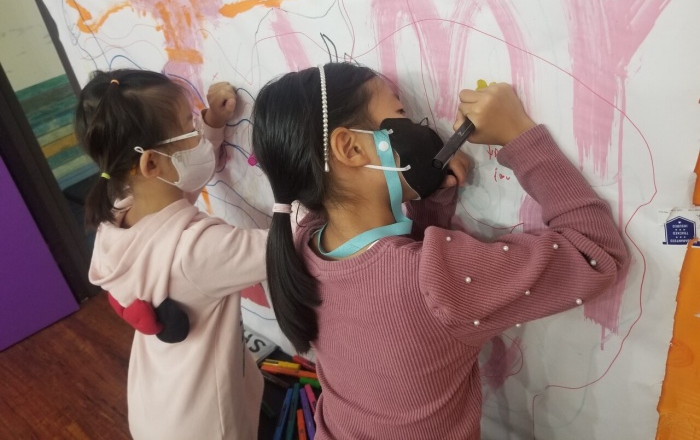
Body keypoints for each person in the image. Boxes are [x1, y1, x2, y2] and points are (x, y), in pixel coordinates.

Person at [250, 62, 629, 440]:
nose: (421, 127)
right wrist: (518, 134)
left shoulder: (304, 243)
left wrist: (430, 204)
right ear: (350, 148)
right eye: (402, 115)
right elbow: (596, 253)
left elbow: (390, 285)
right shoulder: (438, 279)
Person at [75, 69, 267, 440]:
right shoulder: (198, 250)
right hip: (208, 425)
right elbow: (288, 247)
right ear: (150, 164)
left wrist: (212, 123)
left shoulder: (118, 216)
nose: (197, 132)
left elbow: (175, 192)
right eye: (189, 126)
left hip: (158, 406)